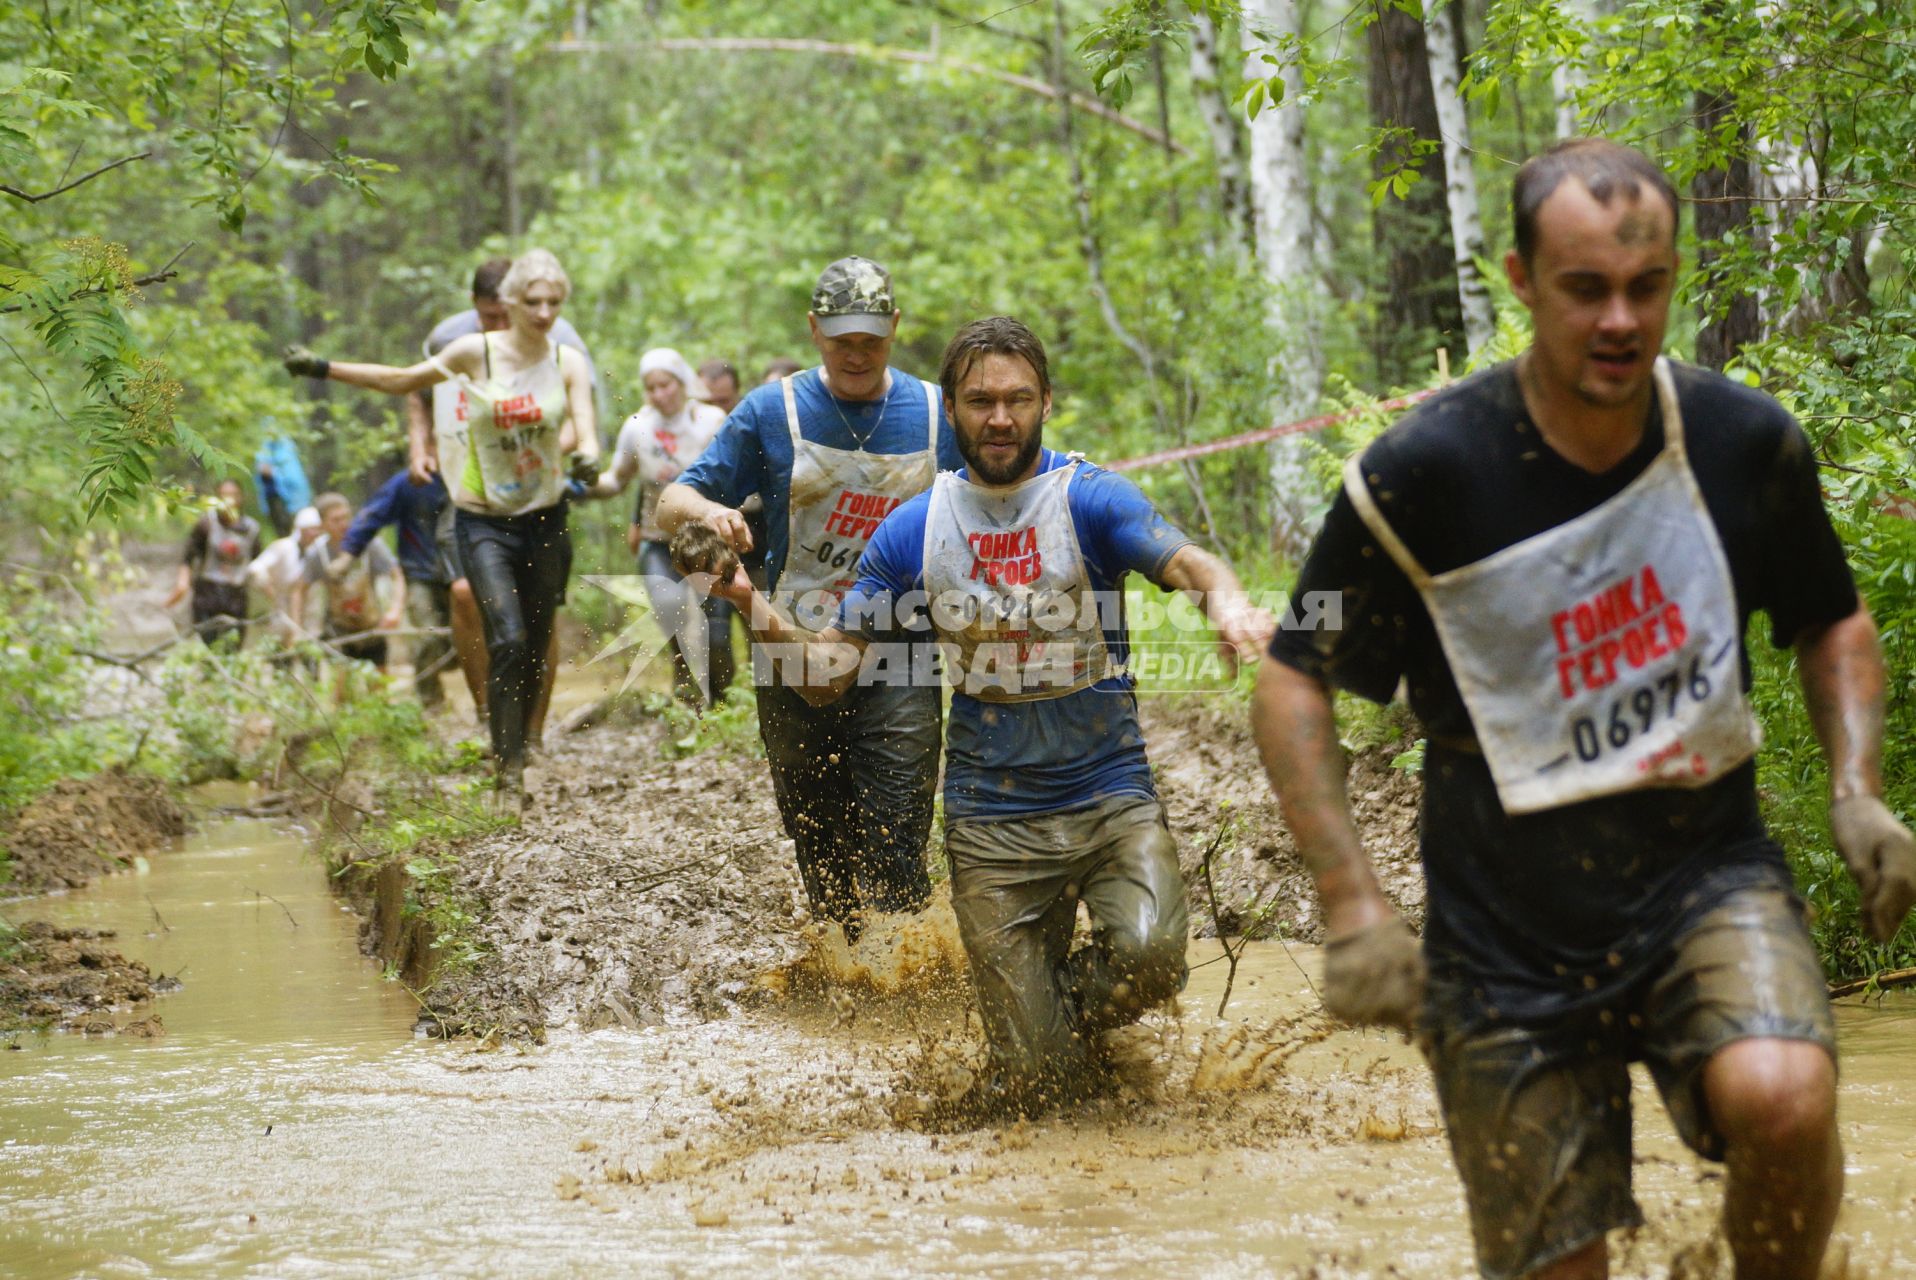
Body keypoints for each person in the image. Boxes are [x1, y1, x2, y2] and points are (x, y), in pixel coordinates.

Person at [1251, 139, 1916, 1280]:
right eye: (1584, 289)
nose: (1618, 319)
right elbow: (1290, 668)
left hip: (1704, 873)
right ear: (1518, 280)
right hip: (1500, 936)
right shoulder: (1416, 474)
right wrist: (1351, 900)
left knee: (1786, 1091)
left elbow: (1831, 619)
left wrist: (1856, 788)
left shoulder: (1741, 443)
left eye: (1645, 289)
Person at [684, 316, 1271, 1117]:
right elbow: (826, 675)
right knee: (1040, 1086)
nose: (1001, 418)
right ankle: (1046, 1042)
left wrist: (1227, 600)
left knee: (1151, 957)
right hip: (991, 822)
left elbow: (1186, 558)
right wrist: (751, 601)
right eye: (981, 401)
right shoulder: (914, 528)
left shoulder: (1089, 496)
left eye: (1018, 399)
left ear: (1046, 404)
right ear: (952, 413)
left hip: (1109, 797)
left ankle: (1059, 1018)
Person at [657, 256, 962, 939]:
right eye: (841, 338)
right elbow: (670, 499)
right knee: (819, 838)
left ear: (895, 328)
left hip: (900, 652)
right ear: (814, 328)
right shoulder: (773, 409)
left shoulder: (937, 413)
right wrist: (708, 514)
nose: (856, 354)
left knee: (898, 833)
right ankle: (842, 981)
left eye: (871, 340)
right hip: (786, 643)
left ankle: (905, 996)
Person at [284, 249, 600, 802]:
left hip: (546, 518)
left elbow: (585, 430)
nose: (545, 312)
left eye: (554, 302)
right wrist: (323, 368)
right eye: (533, 302)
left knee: (536, 636)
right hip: (482, 520)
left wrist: (584, 455)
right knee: (507, 637)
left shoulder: (567, 360)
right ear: (509, 303)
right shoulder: (472, 352)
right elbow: (404, 381)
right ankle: (507, 773)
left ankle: (529, 738)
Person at [407, 256, 601, 727]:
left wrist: (550, 449)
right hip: (470, 488)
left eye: (505, 316)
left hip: (539, 489)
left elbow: (580, 414)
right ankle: (486, 713)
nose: (502, 326)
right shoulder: (450, 337)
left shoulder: (563, 341)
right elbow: (416, 390)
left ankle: (531, 728)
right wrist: (419, 444)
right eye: (490, 318)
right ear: (476, 306)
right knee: (463, 593)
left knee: (539, 613)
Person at [594, 348, 734, 706]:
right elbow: (617, 479)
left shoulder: (712, 420)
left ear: (682, 381)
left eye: (665, 384)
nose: (659, 394)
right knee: (669, 604)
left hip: (709, 539)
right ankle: (684, 675)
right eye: (651, 387)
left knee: (716, 629)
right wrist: (585, 484)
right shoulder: (637, 426)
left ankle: (722, 698)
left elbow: (733, 472)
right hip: (659, 539)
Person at [339, 469, 456, 707]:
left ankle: (487, 704)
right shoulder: (409, 482)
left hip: (466, 571)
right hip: (420, 571)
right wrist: (349, 552)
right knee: (427, 636)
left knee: (472, 638)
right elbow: (373, 514)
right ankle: (431, 701)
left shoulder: (465, 473)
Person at [289, 493, 403, 671]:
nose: (343, 524)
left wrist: (395, 610)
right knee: (340, 688)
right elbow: (298, 590)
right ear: (323, 524)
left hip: (371, 626)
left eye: (346, 517)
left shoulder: (370, 544)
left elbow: (397, 575)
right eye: (336, 520)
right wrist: (297, 628)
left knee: (379, 686)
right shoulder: (317, 554)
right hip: (339, 629)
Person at [163, 479, 261, 646]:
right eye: (224, 495)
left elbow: (257, 562)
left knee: (234, 644)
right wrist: (182, 583)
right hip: (208, 591)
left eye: (233, 495)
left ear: (241, 498)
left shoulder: (251, 528)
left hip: (237, 594)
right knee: (207, 642)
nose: (229, 500)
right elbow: (188, 556)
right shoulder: (206, 524)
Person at [247, 505, 324, 645]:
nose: (315, 534)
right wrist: (268, 587)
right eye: (311, 529)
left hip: (308, 609)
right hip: (281, 606)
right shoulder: (283, 547)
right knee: (280, 645)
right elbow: (256, 568)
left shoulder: (318, 552)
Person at [254, 437, 313, 539]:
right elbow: (263, 470)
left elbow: (294, 475)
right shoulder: (266, 448)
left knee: (296, 531)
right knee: (284, 534)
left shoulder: (286, 446)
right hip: (275, 499)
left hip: (293, 499)